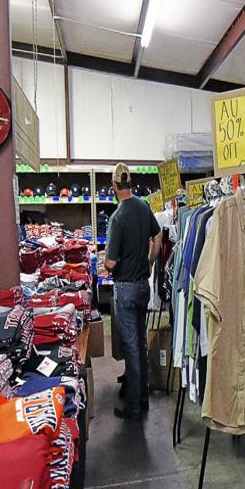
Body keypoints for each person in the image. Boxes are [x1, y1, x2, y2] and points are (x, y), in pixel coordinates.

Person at [104, 163, 160, 422]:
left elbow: (110, 263)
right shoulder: (143, 206)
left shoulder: (117, 218)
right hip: (143, 286)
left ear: (114, 186)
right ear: (130, 183)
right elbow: (158, 237)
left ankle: (134, 406)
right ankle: (143, 397)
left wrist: (105, 261)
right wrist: (149, 261)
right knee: (140, 342)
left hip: (125, 288)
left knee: (132, 346)